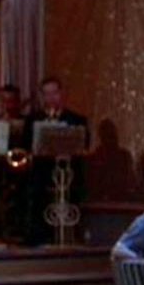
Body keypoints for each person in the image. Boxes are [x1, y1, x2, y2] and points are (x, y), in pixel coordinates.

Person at [23, 76, 89, 246]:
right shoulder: (33, 120)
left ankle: (70, 238)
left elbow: (84, 146)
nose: (51, 98)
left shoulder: (77, 120)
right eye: (47, 94)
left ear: (61, 94)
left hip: (69, 175)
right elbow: (26, 146)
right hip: (42, 174)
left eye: (54, 93)